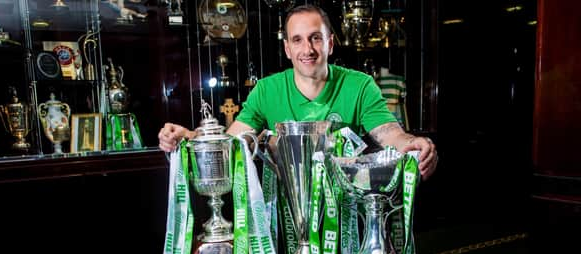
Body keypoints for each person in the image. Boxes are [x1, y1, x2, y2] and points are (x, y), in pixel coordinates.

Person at [158, 4, 438, 180]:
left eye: (316, 38)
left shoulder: (360, 84)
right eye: (298, 40)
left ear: (330, 43)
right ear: (287, 49)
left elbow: (389, 133)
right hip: (284, 217)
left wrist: (413, 145)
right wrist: (192, 137)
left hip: (343, 212)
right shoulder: (267, 90)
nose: (308, 49)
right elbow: (233, 142)